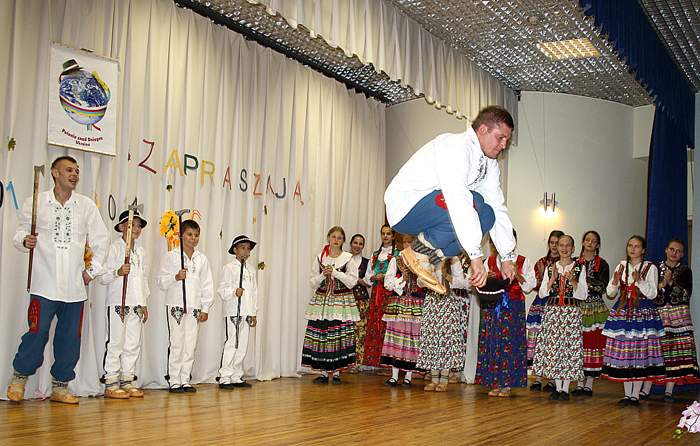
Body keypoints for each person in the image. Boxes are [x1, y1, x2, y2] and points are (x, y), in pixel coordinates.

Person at [7, 156, 110, 404]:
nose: (74, 174)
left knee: (69, 339)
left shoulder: (85, 206)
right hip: (43, 283)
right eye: (68, 170)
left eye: (76, 171)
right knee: (36, 332)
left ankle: (60, 386)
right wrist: (24, 240)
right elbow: (20, 230)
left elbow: (101, 239)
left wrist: (92, 270)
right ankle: (19, 378)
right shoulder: (36, 202)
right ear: (54, 173)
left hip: (75, 288)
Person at [384, 105, 517, 293]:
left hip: (433, 212)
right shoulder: (457, 147)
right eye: (500, 138)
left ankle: (427, 258)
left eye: (507, 140)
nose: (504, 145)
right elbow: (459, 200)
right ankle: (419, 253)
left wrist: (507, 258)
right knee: (475, 201)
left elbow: (497, 207)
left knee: (488, 214)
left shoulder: (489, 164)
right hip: (405, 208)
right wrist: (476, 258)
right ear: (483, 129)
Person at [602, 235, 666, 406]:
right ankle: (627, 394)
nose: (633, 249)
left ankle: (635, 395)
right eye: (630, 245)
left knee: (639, 353)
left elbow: (653, 293)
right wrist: (614, 283)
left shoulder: (650, 267)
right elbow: (610, 293)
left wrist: (639, 281)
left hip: (642, 313)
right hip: (624, 311)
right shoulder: (622, 266)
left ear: (643, 250)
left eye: (637, 246)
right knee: (626, 353)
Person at [97, 209, 150, 399]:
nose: (135, 229)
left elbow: (142, 279)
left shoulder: (141, 252)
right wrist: (118, 272)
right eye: (131, 225)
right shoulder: (114, 248)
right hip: (118, 302)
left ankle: (127, 380)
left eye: (138, 226)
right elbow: (102, 276)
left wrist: (143, 302)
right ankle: (110, 381)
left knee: (132, 343)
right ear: (121, 227)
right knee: (116, 342)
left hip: (135, 304)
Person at [157, 219, 214, 393]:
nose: (193, 238)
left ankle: (185, 378)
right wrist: (175, 277)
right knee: (177, 343)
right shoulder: (171, 256)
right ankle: (174, 379)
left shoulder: (201, 259)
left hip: (194, 307)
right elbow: (161, 281)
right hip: (176, 306)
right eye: (189, 234)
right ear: (181, 235)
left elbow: (207, 284)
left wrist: (205, 307)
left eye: (196, 235)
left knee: (190, 344)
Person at [476, 232, 535, 398]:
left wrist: (518, 275)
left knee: (510, 344)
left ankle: (507, 384)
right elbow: (479, 284)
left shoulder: (524, 261)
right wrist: (487, 278)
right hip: (493, 306)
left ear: (514, 241)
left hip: (513, 306)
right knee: (493, 342)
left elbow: (530, 286)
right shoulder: (490, 261)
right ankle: (494, 382)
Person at [531, 235, 588, 401]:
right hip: (554, 312)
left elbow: (583, 295)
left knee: (569, 348)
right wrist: (552, 280)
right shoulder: (551, 267)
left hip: (571, 312)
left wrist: (573, 281)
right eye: (561, 245)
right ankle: (557, 386)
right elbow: (542, 293)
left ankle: (565, 388)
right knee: (555, 348)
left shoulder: (579, 268)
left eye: (567, 245)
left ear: (573, 248)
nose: (564, 248)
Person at [302, 226, 359, 383]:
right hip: (322, 303)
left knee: (338, 335)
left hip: (340, 302)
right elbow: (312, 282)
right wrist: (323, 275)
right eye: (333, 237)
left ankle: (337, 373)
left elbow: (352, 282)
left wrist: (335, 273)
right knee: (323, 335)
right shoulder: (320, 257)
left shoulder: (348, 258)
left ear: (343, 240)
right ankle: (324, 373)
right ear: (328, 238)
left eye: (339, 238)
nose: (336, 240)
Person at [647, 238, 699, 402]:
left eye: (678, 251)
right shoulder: (655, 268)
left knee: (675, 352)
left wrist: (672, 283)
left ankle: (670, 389)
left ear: (682, 254)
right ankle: (647, 388)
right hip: (659, 313)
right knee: (656, 350)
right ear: (666, 250)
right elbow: (651, 292)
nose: (674, 253)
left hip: (678, 315)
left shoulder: (685, 271)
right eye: (672, 249)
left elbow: (685, 295)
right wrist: (662, 284)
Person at [417, 257, 469, 392]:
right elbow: (419, 281)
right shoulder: (428, 257)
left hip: (448, 300)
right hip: (432, 301)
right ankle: (434, 378)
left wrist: (447, 277)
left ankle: (444, 379)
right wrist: (425, 279)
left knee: (446, 341)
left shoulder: (454, 260)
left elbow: (463, 283)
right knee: (432, 340)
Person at [381, 234, 426, 387]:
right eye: (405, 242)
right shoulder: (396, 259)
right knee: (396, 339)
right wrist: (402, 279)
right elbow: (387, 283)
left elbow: (426, 282)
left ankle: (408, 376)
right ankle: (394, 375)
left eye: (410, 242)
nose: (407, 245)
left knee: (412, 340)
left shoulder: (422, 260)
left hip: (415, 304)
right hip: (398, 304)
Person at [217, 235, 259, 390]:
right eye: (242, 248)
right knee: (232, 344)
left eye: (248, 248)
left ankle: (236, 375)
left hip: (246, 312)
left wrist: (254, 311)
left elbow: (254, 292)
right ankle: (224, 377)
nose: (246, 251)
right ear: (235, 250)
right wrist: (234, 292)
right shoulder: (229, 268)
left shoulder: (251, 270)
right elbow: (222, 289)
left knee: (242, 345)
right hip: (234, 311)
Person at [571, 231, 609, 397]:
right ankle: (579, 382)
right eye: (587, 240)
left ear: (598, 245)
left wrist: (584, 283)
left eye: (593, 241)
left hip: (594, 307)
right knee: (578, 344)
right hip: (577, 306)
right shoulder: (575, 263)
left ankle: (590, 384)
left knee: (593, 344)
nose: (590, 243)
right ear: (583, 242)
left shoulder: (602, 264)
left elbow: (602, 287)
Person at [527, 229, 564, 392]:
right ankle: (538, 377)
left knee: (553, 341)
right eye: (552, 242)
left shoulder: (567, 263)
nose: (554, 246)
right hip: (541, 304)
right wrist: (543, 280)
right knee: (537, 340)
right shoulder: (541, 262)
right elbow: (534, 285)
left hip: (556, 304)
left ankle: (553, 380)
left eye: (558, 243)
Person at [363, 225, 400, 373]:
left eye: (388, 233)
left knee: (388, 326)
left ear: (393, 236)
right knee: (374, 324)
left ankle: (388, 364)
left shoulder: (398, 254)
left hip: (390, 295)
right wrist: (374, 277)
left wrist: (389, 276)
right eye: (383, 233)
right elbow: (367, 276)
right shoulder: (375, 255)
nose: (385, 236)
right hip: (377, 293)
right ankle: (373, 360)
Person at [348, 234, 372, 373]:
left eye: (360, 244)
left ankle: (357, 363)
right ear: (351, 244)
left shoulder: (367, 262)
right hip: (346, 300)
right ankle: (346, 362)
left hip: (362, 301)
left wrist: (355, 278)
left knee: (360, 332)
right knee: (346, 332)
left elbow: (368, 283)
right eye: (355, 243)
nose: (357, 246)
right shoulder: (344, 259)